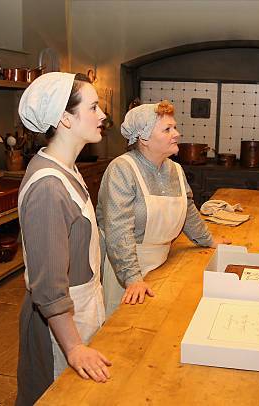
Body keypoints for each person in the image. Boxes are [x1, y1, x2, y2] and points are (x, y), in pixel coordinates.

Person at [16, 72, 111, 405]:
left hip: (81, 309)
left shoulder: (66, 168)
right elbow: (48, 286)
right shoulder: (48, 186)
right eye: (94, 107)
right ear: (64, 118)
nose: (102, 115)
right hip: (57, 328)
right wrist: (73, 348)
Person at [97, 100, 230, 315]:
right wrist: (133, 279)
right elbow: (117, 229)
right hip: (126, 268)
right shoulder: (122, 169)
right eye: (167, 129)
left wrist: (208, 240)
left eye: (174, 127)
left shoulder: (175, 169)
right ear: (144, 138)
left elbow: (187, 210)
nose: (176, 133)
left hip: (163, 261)